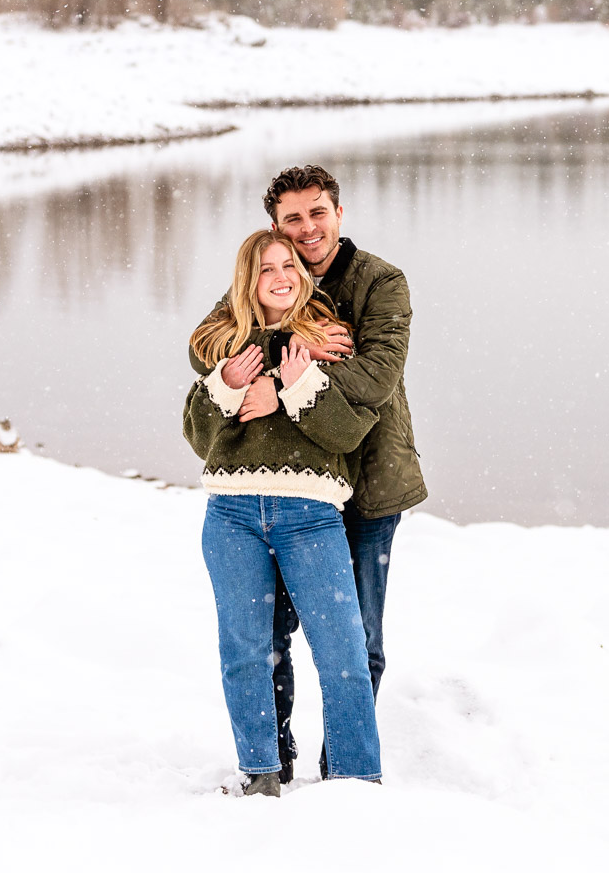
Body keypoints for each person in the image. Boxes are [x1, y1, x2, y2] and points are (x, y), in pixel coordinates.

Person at [189, 164, 425, 783]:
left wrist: (298, 372)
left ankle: (345, 772)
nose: (307, 228)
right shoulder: (270, 267)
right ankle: (276, 760)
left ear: (338, 214)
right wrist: (276, 360)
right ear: (277, 226)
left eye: (317, 213)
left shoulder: (380, 282)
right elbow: (208, 344)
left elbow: (373, 380)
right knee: (265, 637)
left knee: (355, 643)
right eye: (293, 218)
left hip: (365, 483)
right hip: (271, 491)